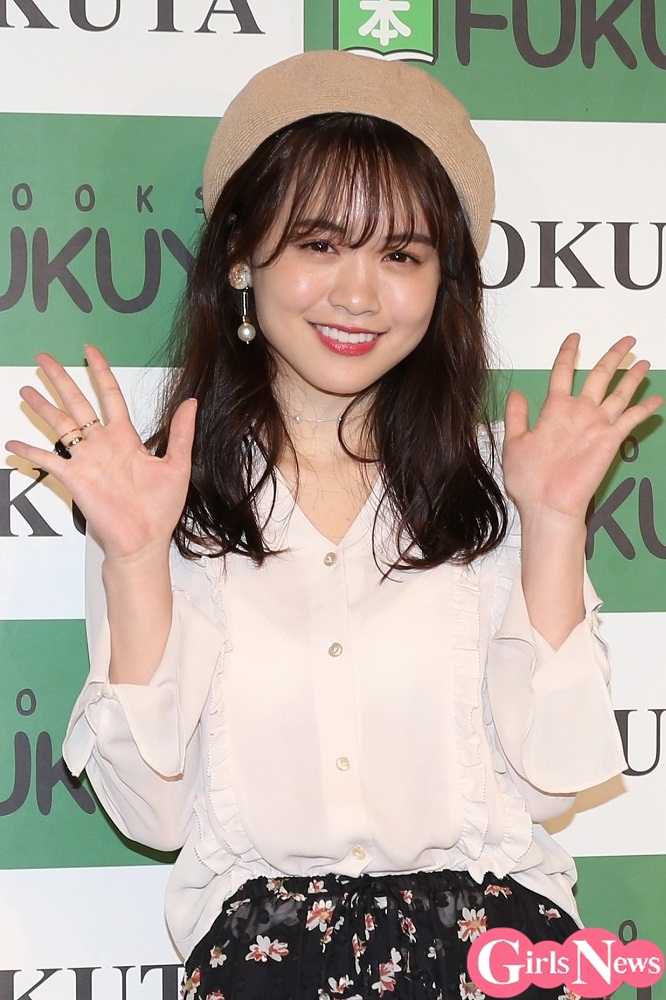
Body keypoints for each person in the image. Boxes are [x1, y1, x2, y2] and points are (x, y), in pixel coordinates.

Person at [6, 50, 662, 1000]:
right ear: (241, 253)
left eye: (401, 255)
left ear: (443, 284)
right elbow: (154, 815)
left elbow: (553, 785)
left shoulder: (501, 485)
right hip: (265, 966)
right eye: (319, 244)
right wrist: (136, 558)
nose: (358, 294)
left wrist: (555, 523)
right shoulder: (160, 497)